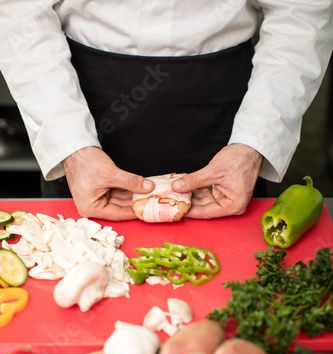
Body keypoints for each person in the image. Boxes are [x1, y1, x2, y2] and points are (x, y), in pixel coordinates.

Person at [0, 1, 332, 221]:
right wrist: (70, 147)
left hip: (230, 110)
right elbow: (19, 13)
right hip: (79, 99)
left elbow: (301, 12)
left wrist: (255, 143)